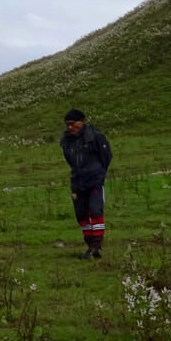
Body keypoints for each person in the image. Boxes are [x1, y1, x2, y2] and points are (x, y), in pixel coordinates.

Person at [60, 109, 112, 260]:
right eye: (67, 124)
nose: (70, 127)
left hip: (94, 180)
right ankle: (90, 246)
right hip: (77, 181)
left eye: (72, 123)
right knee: (81, 214)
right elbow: (70, 160)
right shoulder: (65, 141)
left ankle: (97, 245)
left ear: (81, 122)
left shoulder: (95, 137)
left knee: (95, 210)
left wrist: (98, 173)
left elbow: (106, 156)